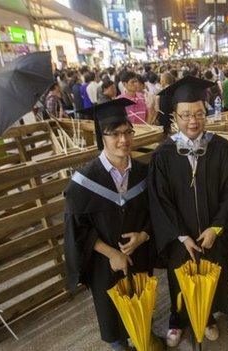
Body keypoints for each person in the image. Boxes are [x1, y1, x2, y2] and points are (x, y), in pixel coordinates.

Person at [149, 76, 228, 347]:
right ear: (174, 117)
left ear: (206, 113)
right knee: (179, 278)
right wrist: (181, 236)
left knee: (210, 275)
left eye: (199, 114)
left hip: (211, 234)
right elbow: (160, 200)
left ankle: (206, 319)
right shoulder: (164, 155)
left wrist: (216, 229)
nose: (193, 121)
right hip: (180, 237)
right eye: (185, 115)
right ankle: (177, 320)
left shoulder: (222, 149)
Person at [64, 98, 157, 351]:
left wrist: (144, 236)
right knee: (112, 315)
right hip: (103, 264)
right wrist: (112, 253)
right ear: (101, 136)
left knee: (140, 306)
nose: (123, 140)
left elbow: (156, 212)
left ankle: (144, 338)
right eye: (114, 134)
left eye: (128, 132)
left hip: (138, 257)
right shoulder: (84, 181)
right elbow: (77, 230)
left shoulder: (143, 173)